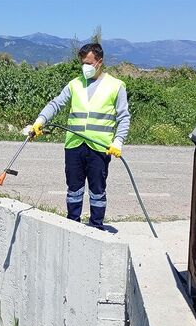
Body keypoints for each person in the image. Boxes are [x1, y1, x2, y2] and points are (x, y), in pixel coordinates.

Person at [30, 43, 131, 231]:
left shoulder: (116, 86)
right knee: (74, 190)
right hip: (74, 145)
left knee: (97, 191)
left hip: (100, 148)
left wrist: (118, 141)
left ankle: (96, 228)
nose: (85, 66)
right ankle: (72, 227)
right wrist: (40, 121)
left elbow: (123, 117)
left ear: (99, 62)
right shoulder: (75, 84)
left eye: (88, 62)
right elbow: (56, 104)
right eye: (82, 62)